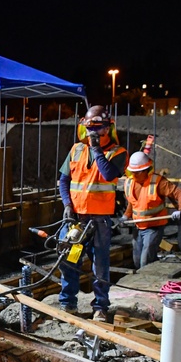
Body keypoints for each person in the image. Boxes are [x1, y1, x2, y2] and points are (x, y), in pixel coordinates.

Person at [57, 105, 127, 322]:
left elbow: (108, 175)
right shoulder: (76, 149)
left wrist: (97, 150)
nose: (94, 133)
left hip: (99, 222)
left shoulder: (118, 152)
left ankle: (100, 307)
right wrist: (68, 205)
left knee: (100, 264)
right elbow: (63, 180)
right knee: (70, 259)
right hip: (77, 219)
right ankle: (68, 303)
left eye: (99, 129)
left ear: (108, 128)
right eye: (90, 129)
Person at [121, 151, 181, 268]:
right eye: (132, 172)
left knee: (145, 261)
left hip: (154, 226)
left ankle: (146, 283)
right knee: (137, 260)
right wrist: (126, 215)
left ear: (146, 170)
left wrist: (180, 210)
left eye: (137, 172)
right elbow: (133, 202)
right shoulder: (129, 183)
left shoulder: (159, 182)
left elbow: (178, 193)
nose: (134, 175)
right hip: (138, 226)